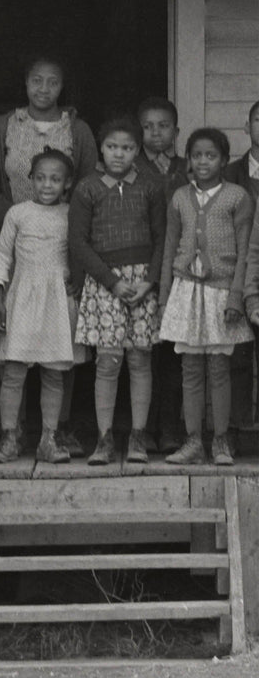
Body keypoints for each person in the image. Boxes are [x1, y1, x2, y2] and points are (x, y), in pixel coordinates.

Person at [0, 53, 97, 455]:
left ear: (63, 87)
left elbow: (90, 188)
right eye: (36, 81)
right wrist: (20, 218)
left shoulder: (77, 130)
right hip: (21, 275)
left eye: (53, 82)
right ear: (25, 83)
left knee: (56, 365)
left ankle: (53, 434)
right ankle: (7, 435)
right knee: (12, 363)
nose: (43, 89)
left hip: (58, 283)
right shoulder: (4, 127)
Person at [68, 117, 166, 465]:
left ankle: (138, 437)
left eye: (126, 148)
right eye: (112, 147)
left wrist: (149, 280)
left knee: (140, 359)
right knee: (108, 362)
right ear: (101, 148)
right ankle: (105, 439)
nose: (119, 155)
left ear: (137, 150)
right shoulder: (87, 188)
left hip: (142, 283)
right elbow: (78, 242)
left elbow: (161, 238)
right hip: (105, 282)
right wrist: (111, 281)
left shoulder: (151, 186)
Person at [161, 128, 254, 466]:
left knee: (219, 368)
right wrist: (163, 299)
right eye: (197, 155)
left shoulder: (237, 197)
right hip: (186, 291)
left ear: (224, 160)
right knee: (190, 369)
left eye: (211, 155)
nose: (203, 161)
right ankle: (193, 441)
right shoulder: (180, 198)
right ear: (190, 159)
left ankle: (220, 442)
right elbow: (171, 246)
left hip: (220, 292)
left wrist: (236, 296)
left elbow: (245, 251)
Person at [0, 150, 80, 464]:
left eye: (55, 179)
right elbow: (1, 256)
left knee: (54, 373)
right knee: (13, 372)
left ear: (67, 183)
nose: (47, 185)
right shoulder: (18, 213)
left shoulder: (72, 214)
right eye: (40, 178)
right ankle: (10, 437)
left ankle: (49, 439)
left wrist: (75, 283)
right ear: (31, 179)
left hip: (57, 300)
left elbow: (81, 253)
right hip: (22, 297)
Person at [136, 97, 187, 453]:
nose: (156, 133)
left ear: (176, 131)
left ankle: (169, 427)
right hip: (139, 270)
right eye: (149, 126)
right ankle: (138, 428)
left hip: (180, 272)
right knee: (140, 354)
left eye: (164, 125)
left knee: (171, 353)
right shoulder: (128, 165)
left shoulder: (188, 167)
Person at [223, 100, 259, 433]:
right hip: (237, 275)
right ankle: (234, 432)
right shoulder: (230, 174)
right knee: (237, 358)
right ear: (247, 127)